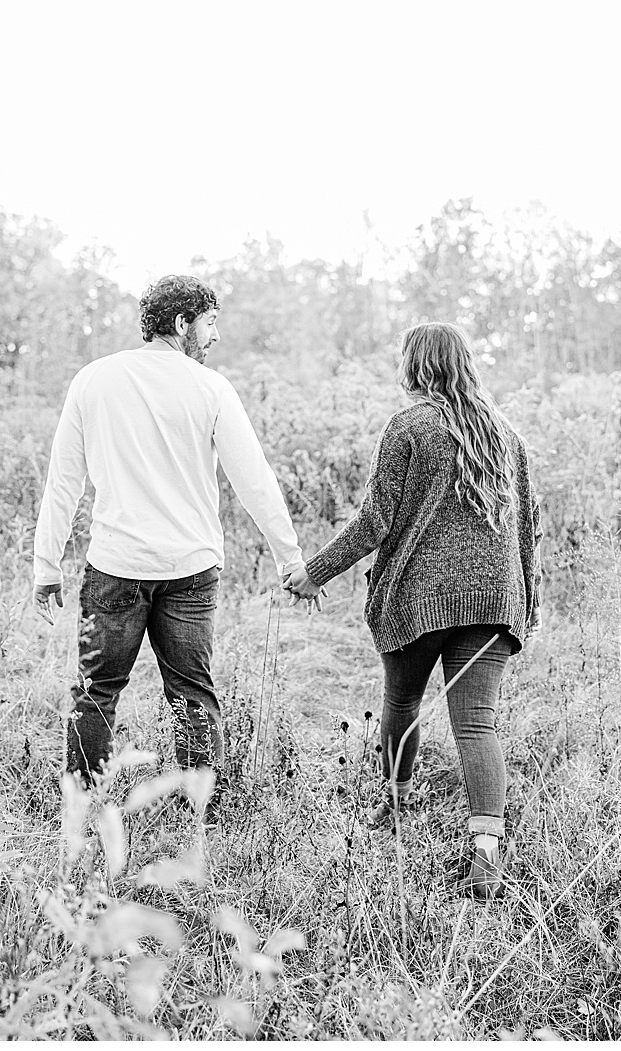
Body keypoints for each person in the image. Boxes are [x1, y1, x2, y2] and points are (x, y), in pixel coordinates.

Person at [284, 321, 541, 903]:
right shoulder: (507, 434)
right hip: (494, 603)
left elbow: (375, 522)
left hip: (416, 599)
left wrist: (313, 573)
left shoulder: (408, 427)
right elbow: (530, 531)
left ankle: (396, 809)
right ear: (466, 363)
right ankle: (486, 852)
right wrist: (528, 604)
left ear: (414, 365)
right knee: (477, 724)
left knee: (401, 702)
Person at [33, 274, 307, 813]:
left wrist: (47, 565)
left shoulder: (94, 380)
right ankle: (200, 809)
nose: (215, 337)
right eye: (209, 323)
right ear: (182, 323)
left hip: (115, 564)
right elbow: (254, 479)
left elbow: (63, 478)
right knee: (193, 693)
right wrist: (290, 558)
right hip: (190, 568)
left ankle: (82, 806)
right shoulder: (211, 389)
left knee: (96, 691)